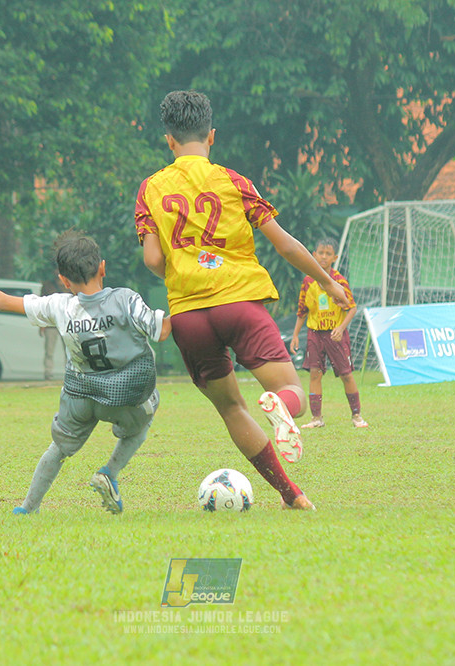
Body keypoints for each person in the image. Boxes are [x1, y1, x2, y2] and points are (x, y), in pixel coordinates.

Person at [136, 89, 349, 510]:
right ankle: (282, 407)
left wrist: (183, 267)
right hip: (239, 303)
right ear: (211, 136)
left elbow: (153, 259)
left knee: (233, 410)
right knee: (293, 391)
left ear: (169, 141)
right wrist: (326, 282)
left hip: (189, 316)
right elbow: (285, 245)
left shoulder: (151, 188)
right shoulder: (233, 181)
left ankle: (292, 496)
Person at [0, 232, 171, 514]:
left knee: (58, 449)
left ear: (64, 280)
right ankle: (109, 471)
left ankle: (28, 507)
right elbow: (162, 331)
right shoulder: (126, 300)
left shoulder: (59, 305)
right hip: (125, 395)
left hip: (81, 396)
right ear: (103, 267)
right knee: (142, 424)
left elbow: (2, 302)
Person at [289, 237, 368, 428]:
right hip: (314, 333)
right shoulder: (308, 281)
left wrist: (341, 328)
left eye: (328, 254)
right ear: (314, 255)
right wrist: (295, 335)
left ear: (335, 257)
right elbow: (302, 311)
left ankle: (356, 416)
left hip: (335, 334)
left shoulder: (339, 280)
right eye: (320, 253)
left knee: (346, 375)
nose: (324, 257)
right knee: (314, 373)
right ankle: (317, 418)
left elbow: (352, 307)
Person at [39, 273, 65, 380]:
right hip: (50, 323)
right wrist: (42, 324)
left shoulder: (69, 283)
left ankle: (71, 373)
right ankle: (48, 373)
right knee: (49, 351)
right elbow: (41, 305)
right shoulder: (47, 285)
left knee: (70, 351)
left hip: (65, 322)